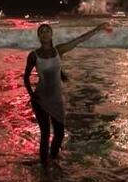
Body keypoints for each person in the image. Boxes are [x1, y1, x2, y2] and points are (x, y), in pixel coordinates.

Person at [23, 22, 110, 165]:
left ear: (51, 34)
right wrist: (32, 95)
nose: (45, 33)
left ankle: (54, 158)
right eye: (42, 32)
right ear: (39, 36)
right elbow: (26, 76)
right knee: (45, 134)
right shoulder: (33, 55)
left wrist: (97, 28)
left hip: (56, 99)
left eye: (47, 31)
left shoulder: (59, 50)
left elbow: (79, 40)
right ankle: (44, 166)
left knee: (59, 134)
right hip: (41, 99)